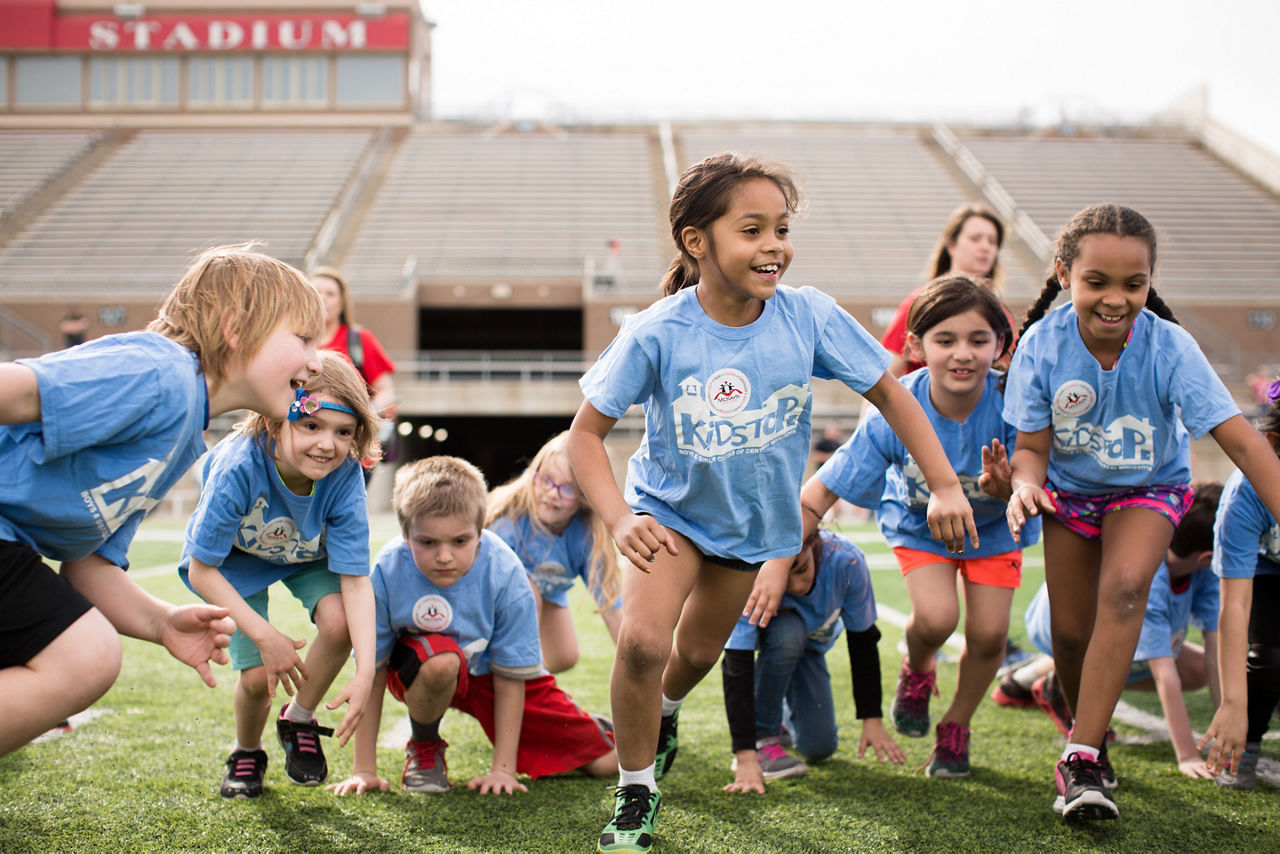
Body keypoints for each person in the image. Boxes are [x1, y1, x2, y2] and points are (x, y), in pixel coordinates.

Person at [568, 151, 977, 854]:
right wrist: (619, 516)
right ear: (698, 242)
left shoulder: (807, 316)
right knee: (641, 645)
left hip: (752, 527)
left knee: (695, 654)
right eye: (752, 230)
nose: (773, 247)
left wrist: (945, 483)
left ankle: (662, 714)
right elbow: (584, 437)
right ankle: (636, 790)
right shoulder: (657, 331)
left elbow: (891, 397)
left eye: (781, 229)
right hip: (666, 512)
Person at [1002, 203, 1280, 820]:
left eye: (1134, 283)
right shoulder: (1041, 348)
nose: (1115, 299)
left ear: (1150, 281)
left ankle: (1079, 761)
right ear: (1065, 273)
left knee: (1127, 589)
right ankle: (1091, 735)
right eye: (1096, 282)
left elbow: (1240, 441)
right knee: (1071, 635)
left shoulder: (1171, 346)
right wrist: (1025, 485)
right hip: (1067, 493)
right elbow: (1029, 449)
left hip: (1148, 488)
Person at [0, 244, 324, 757]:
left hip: (12, 549)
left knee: (84, 655)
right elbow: (15, 391)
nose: (314, 360)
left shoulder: (185, 429)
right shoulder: (160, 373)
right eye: (304, 338)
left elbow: (88, 564)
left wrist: (160, 622)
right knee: (84, 656)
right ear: (235, 328)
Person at [800, 274, 1035, 779]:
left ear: (1001, 345)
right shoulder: (898, 405)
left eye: (978, 340)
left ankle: (956, 726)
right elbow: (827, 484)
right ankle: (918, 670)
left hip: (992, 531)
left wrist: (1007, 487)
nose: (963, 353)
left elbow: (1036, 479)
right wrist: (790, 536)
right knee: (935, 619)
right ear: (915, 345)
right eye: (945, 340)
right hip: (917, 525)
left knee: (991, 636)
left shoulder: (1015, 402)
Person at [326, 456, 617, 797]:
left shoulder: (506, 572)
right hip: (423, 668)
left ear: (481, 532)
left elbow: (511, 676)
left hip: (490, 673)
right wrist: (364, 770)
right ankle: (425, 746)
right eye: (428, 542)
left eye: (460, 541)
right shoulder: (388, 569)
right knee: (441, 661)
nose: (445, 556)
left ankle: (593, 724)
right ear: (405, 534)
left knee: (606, 763)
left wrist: (503, 770)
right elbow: (372, 671)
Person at [180, 351, 380, 798]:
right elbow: (202, 568)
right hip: (234, 561)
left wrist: (365, 670)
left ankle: (300, 717)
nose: (327, 444)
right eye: (311, 425)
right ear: (275, 421)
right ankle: (247, 750)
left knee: (341, 622)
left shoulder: (344, 475)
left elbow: (356, 580)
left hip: (304, 552)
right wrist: (266, 636)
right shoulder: (237, 467)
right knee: (255, 681)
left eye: (343, 432)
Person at [999, 483, 1223, 780]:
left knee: (1197, 668)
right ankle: (1062, 688)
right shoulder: (1151, 575)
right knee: (1122, 650)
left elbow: (1215, 653)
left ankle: (1037, 680)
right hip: (1062, 622)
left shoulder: (1202, 573)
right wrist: (1188, 756)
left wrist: (1229, 720)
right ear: (1208, 556)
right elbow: (1163, 675)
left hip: (1094, 628)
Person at [721, 527, 903, 793]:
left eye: (802, 569)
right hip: (780, 640)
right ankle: (764, 736)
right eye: (785, 579)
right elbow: (737, 660)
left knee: (819, 748)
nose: (796, 587)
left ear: (814, 545)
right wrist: (745, 752)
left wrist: (871, 718)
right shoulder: (751, 568)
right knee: (789, 633)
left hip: (811, 650)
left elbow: (863, 641)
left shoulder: (847, 562)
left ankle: (778, 711)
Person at [486, 430, 622, 673]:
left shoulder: (588, 534)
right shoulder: (509, 519)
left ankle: (525, 677)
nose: (551, 493)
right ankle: (507, 677)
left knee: (564, 656)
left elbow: (613, 606)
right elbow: (486, 582)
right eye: (546, 480)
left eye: (567, 489)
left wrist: (637, 662)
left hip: (545, 593)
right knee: (528, 593)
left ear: (586, 496)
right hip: (494, 598)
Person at [1207, 382, 1280, 790]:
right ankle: (1247, 743)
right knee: (1270, 656)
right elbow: (1234, 607)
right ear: (1271, 444)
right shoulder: (1245, 496)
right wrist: (1233, 705)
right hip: (1266, 570)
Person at [880, 204, 1006, 378]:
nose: (986, 247)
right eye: (975, 238)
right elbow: (882, 379)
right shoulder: (922, 303)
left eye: (992, 241)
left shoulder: (1000, 312)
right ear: (951, 245)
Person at [310, 267, 397, 469]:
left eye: (330, 294)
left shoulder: (359, 340)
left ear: (342, 303)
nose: (323, 298)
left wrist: (365, 414)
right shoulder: (295, 340)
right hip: (306, 446)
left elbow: (386, 391)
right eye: (316, 292)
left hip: (353, 450)